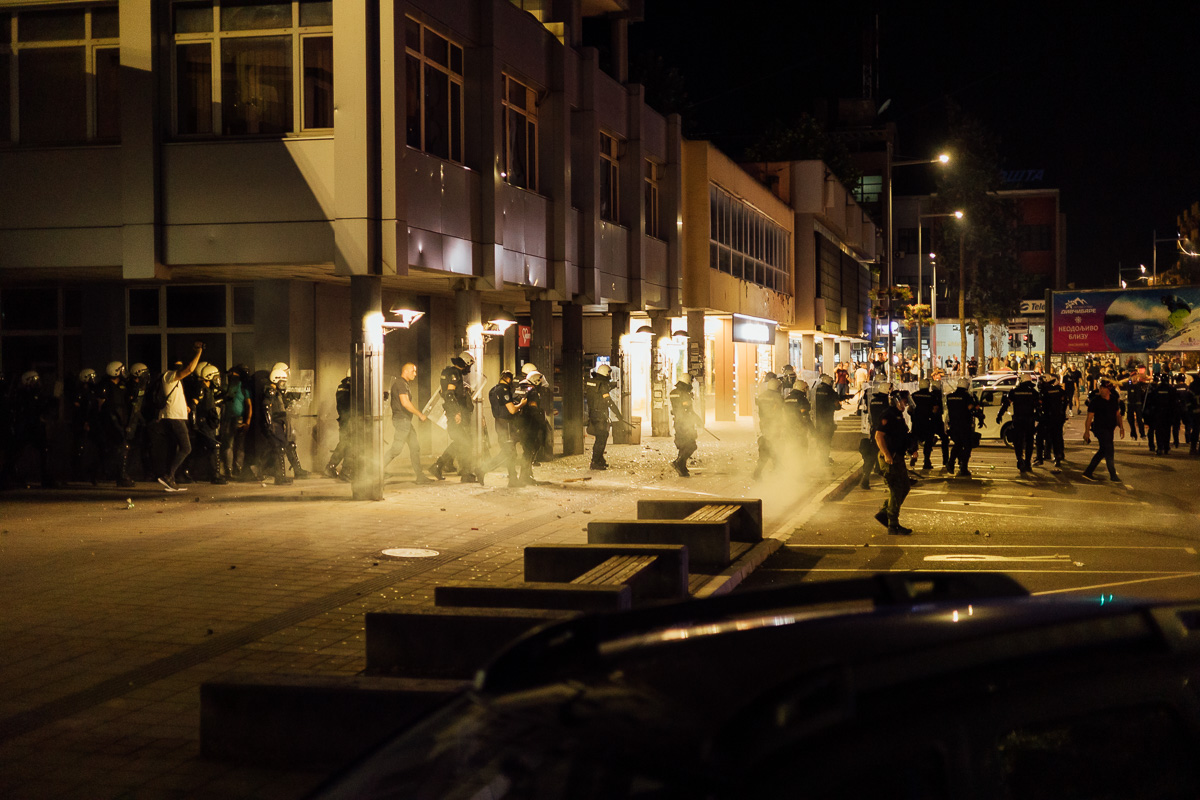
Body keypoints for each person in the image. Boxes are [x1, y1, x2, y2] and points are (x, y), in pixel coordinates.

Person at [156, 342, 204, 491]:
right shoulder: (169, 376)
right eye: (178, 366)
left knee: (174, 448)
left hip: (173, 416)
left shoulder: (173, 380)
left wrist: (186, 408)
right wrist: (199, 352)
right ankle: (168, 476)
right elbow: (189, 369)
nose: (180, 369)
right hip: (173, 417)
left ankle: (170, 478)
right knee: (186, 447)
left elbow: (174, 398)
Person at [433, 351, 477, 482]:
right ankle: (464, 474)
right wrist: (457, 412)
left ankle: (439, 466)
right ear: (466, 363)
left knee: (461, 442)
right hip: (456, 413)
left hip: (453, 411)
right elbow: (449, 394)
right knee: (465, 442)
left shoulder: (448, 371)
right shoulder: (455, 373)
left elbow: (443, 392)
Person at [873, 391, 913, 535]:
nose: (905, 404)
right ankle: (893, 524)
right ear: (896, 401)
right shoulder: (888, 414)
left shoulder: (899, 416)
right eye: (903, 401)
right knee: (896, 488)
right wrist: (887, 454)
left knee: (905, 487)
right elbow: (879, 436)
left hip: (898, 457)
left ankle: (885, 513)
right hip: (890, 458)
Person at [384, 362, 430, 483]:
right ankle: (375, 471)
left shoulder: (403, 384)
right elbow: (405, 403)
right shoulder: (400, 384)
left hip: (405, 421)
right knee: (396, 449)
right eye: (413, 371)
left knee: (415, 447)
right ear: (406, 371)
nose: (415, 374)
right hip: (402, 421)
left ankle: (420, 476)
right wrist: (419, 414)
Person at [483, 370, 521, 486]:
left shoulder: (493, 390)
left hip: (500, 424)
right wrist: (521, 404)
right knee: (507, 453)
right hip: (506, 425)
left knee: (510, 452)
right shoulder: (503, 390)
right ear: (508, 379)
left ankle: (513, 479)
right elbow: (512, 410)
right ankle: (482, 470)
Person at [584, 363, 625, 470]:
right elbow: (609, 402)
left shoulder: (594, 383)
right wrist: (618, 414)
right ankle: (595, 462)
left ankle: (600, 459)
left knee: (600, 437)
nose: (609, 375)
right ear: (605, 373)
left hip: (593, 414)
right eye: (609, 373)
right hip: (600, 415)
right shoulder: (602, 385)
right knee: (601, 438)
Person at [1082, 379, 1125, 481]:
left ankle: (1088, 472)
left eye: (1103, 388)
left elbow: (1117, 415)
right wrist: (1086, 432)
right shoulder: (1095, 401)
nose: (1101, 390)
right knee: (1109, 449)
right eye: (1100, 388)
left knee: (1103, 450)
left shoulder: (1114, 399)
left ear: (1109, 389)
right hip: (1100, 429)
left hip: (1110, 428)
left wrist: (1121, 428)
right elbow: (1089, 418)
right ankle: (1113, 475)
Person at [998, 374, 1040, 472]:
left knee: (1018, 442)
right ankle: (1028, 463)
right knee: (1029, 442)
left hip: (1018, 420)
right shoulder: (1033, 392)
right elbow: (1038, 406)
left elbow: (1006, 404)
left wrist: (1000, 415)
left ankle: (1019, 459)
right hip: (1029, 420)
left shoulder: (1014, 392)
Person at [193, 364, 227, 484]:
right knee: (214, 446)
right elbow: (197, 406)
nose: (218, 380)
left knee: (205, 449)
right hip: (204, 424)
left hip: (209, 423)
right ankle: (215, 475)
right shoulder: (202, 389)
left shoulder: (210, 390)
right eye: (215, 377)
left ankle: (204, 474)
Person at [512, 369, 547, 485]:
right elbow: (534, 410)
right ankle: (525, 476)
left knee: (526, 451)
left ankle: (526, 475)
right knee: (528, 451)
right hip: (529, 426)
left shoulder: (519, 388)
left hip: (519, 424)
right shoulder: (532, 392)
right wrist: (542, 423)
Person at [945, 378, 984, 477]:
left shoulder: (950, 396)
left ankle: (951, 462)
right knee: (967, 446)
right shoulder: (966, 396)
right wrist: (979, 415)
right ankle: (963, 467)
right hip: (964, 425)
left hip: (953, 425)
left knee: (958, 444)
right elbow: (971, 408)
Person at [222, 365, 253, 480]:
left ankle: (234, 470)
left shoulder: (242, 387)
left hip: (236, 418)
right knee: (234, 445)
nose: (230, 376)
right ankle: (232, 471)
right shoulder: (232, 387)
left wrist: (248, 421)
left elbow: (249, 405)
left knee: (233, 445)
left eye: (231, 374)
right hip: (231, 418)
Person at [752, 377, 785, 480]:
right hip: (774, 425)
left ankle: (759, 471)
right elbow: (781, 411)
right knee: (775, 447)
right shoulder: (777, 396)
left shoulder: (762, 395)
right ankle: (777, 471)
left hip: (763, 425)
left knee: (766, 446)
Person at [668, 372, 699, 477]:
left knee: (683, 445)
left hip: (678, 423)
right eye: (690, 381)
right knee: (691, 445)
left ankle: (682, 467)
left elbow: (676, 409)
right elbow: (688, 410)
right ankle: (678, 463)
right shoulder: (684, 394)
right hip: (685, 423)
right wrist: (697, 420)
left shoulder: (673, 392)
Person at [324, 373, 354, 480]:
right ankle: (346, 472)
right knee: (351, 444)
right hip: (351, 420)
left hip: (345, 420)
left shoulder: (342, 387)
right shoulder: (352, 387)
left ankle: (331, 466)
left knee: (344, 443)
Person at [1036, 373, 1067, 468]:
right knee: (1056, 438)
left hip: (1047, 418)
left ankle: (1040, 458)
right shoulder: (1058, 390)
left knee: (1039, 437)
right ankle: (1057, 458)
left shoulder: (1044, 392)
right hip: (1057, 417)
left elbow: (1040, 405)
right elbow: (1065, 401)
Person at [909, 379, 941, 471]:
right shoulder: (932, 396)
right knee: (928, 442)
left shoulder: (914, 395)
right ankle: (926, 461)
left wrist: (913, 416)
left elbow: (910, 409)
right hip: (928, 422)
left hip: (916, 422)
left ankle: (914, 454)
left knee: (914, 440)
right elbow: (935, 409)